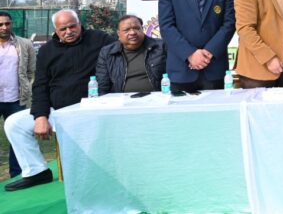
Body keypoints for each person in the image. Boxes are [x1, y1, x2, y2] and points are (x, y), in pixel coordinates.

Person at [4, 10, 113, 191]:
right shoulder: (46, 50)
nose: (69, 31)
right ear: (56, 30)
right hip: (58, 111)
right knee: (14, 123)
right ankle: (37, 171)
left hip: (91, 111)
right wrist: (40, 116)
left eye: (72, 26)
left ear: (80, 24)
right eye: (63, 29)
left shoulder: (99, 39)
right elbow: (40, 85)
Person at [158, 0, 235, 91]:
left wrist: (209, 52)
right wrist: (190, 54)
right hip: (181, 69)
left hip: (214, 68)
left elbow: (229, 24)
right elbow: (167, 27)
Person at [0, 12, 36, 179]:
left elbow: (31, 71)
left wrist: (27, 87)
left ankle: (17, 174)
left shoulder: (24, 44)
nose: (4, 27)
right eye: (0, 24)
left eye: (7, 24)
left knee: (17, 137)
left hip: (16, 99)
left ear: (11, 24)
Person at [96, 15, 167, 94]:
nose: (133, 32)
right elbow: (102, 86)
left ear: (142, 29)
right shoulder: (107, 53)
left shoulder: (161, 47)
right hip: (121, 99)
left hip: (157, 98)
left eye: (137, 28)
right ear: (119, 33)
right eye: (126, 30)